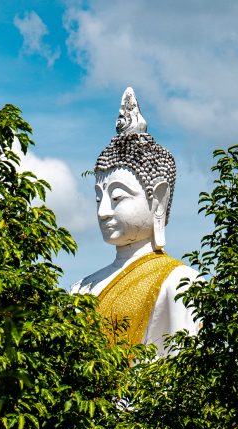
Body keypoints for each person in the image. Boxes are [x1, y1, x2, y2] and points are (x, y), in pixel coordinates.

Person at [71, 87, 199, 355]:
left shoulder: (181, 283)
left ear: (158, 199)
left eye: (117, 197)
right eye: (98, 198)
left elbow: (187, 374)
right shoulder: (82, 287)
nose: (103, 211)